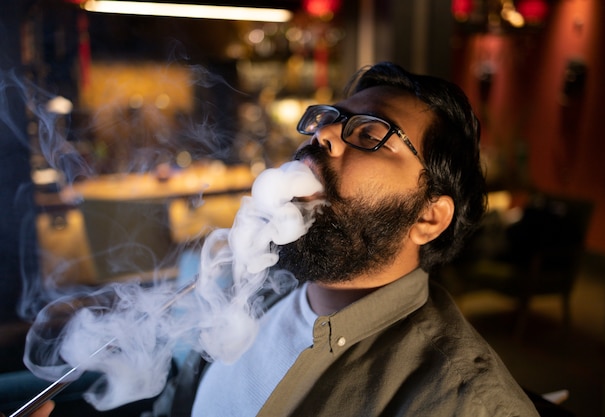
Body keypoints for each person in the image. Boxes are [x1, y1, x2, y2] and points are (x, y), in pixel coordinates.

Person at [27, 62, 541, 416]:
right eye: (329, 119)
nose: (324, 134)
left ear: (429, 218)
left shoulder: (460, 401)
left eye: (370, 134)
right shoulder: (256, 287)